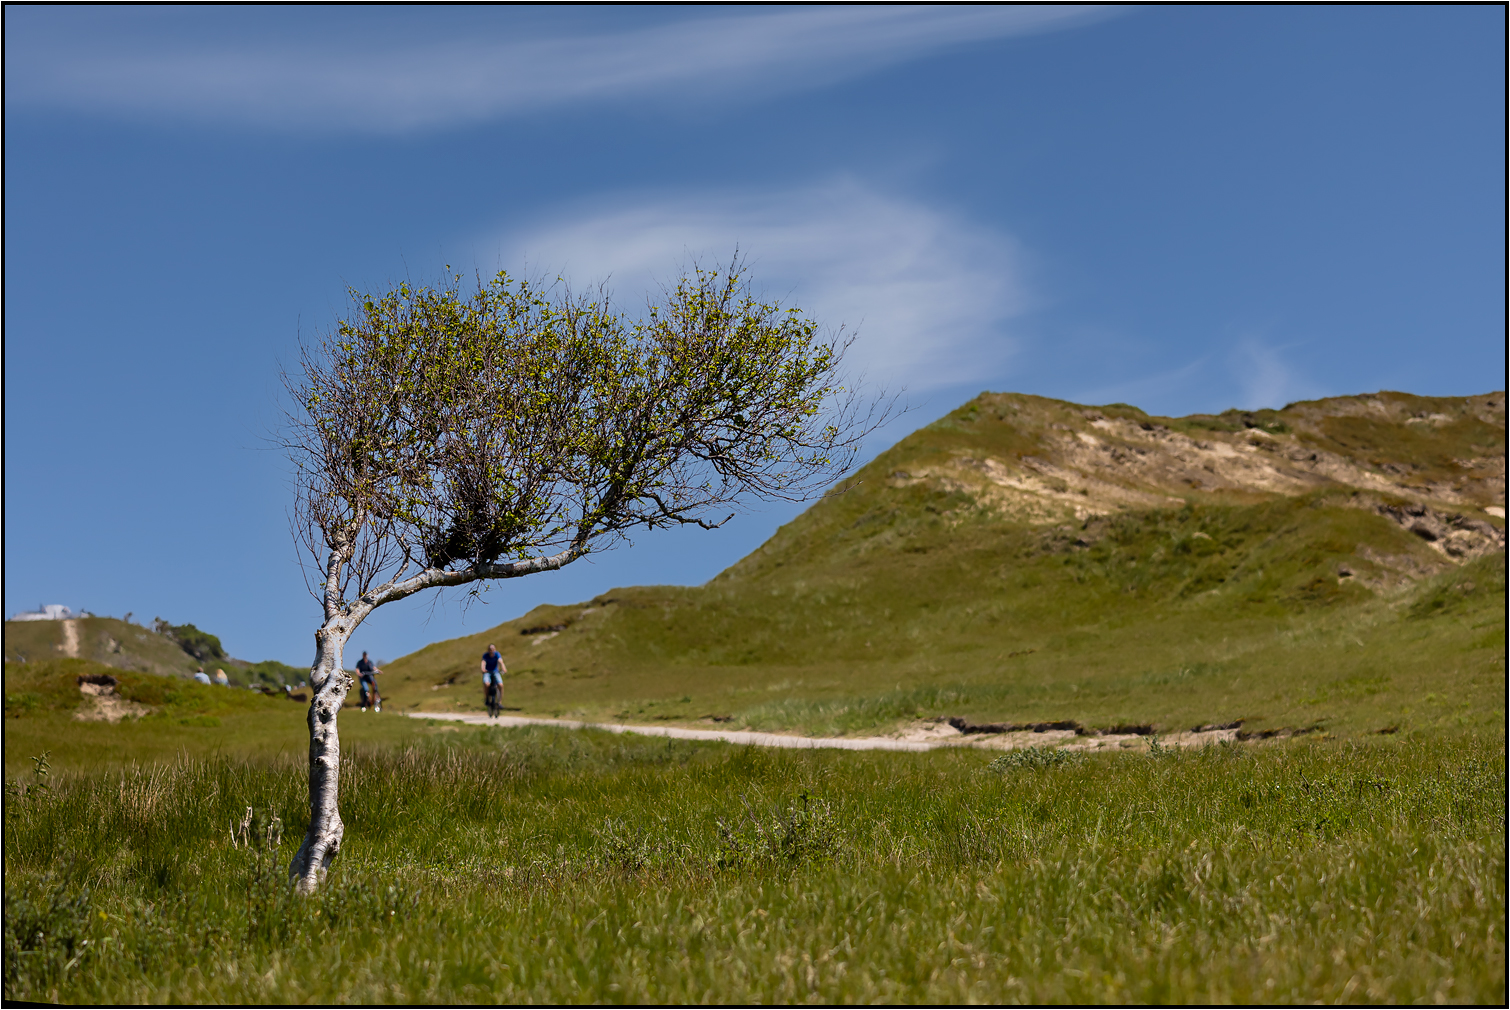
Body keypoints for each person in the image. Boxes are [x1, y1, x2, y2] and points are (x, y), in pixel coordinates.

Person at [481, 644, 506, 714]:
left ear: (494, 650)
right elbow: (483, 662)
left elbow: (500, 661)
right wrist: (483, 669)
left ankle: (499, 702)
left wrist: (503, 667)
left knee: (500, 685)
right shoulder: (485, 655)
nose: (491, 651)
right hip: (487, 672)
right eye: (490, 649)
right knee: (486, 684)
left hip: (496, 672)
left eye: (492, 649)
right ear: (488, 650)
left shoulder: (497, 654)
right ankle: (486, 699)